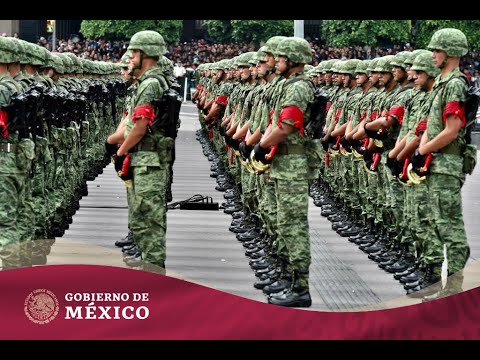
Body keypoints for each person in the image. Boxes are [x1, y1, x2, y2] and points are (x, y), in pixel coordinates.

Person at [252, 37, 315, 307]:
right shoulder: (288, 85)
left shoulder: (299, 88)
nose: (274, 61)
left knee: (293, 226)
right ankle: (286, 278)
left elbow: (286, 126)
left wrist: (260, 145)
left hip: (293, 165)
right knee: (281, 222)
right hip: (282, 164)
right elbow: (274, 122)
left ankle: (300, 288)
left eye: (280, 58)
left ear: (292, 61)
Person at [415, 28, 471, 300]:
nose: (432, 54)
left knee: (451, 228)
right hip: (435, 161)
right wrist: (421, 151)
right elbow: (431, 124)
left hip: (447, 164)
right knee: (438, 223)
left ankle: (455, 290)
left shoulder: (455, 84)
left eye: (436, 50)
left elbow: (452, 128)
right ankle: (443, 287)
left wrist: (424, 148)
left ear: (449, 53)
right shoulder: (441, 82)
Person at [115, 30, 171, 274]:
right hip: (145, 158)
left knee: (150, 219)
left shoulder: (150, 84)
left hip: (149, 160)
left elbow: (139, 126)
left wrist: (121, 152)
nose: (132, 58)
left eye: (134, 53)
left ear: (145, 54)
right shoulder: (151, 81)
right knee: (142, 217)